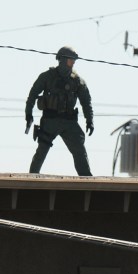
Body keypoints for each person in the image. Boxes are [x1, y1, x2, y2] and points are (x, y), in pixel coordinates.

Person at [24, 46, 94, 176]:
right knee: (42, 150)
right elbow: (32, 94)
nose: (73, 63)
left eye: (74, 61)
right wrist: (28, 114)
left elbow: (86, 102)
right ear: (62, 60)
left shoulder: (77, 81)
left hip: (69, 122)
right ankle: (32, 178)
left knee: (79, 149)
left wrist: (89, 120)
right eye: (70, 60)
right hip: (50, 121)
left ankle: (86, 180)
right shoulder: (47, 77)